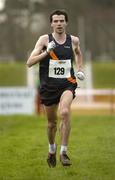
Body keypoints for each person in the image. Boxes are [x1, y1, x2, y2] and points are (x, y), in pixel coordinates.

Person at [27, 9, 84, 167]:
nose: (59, 23)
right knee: (51, 123)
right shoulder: (44, 40)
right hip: (48, 87)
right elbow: (29, 62)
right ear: (51, 23)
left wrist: (79, 69)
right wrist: (46, 52)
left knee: (65, 112)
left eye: (61, 21)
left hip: (67, 83)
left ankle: (63, 153)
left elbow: (79, 54)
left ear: (66, 22)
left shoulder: (74, 40)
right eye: (56, 21)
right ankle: (52, 149)